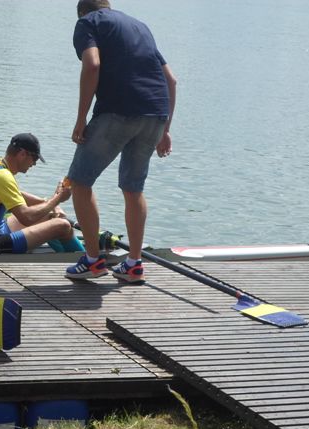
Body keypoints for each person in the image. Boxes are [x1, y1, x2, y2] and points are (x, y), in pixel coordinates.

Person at [64, 0, 177, 283]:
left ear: (83, 11)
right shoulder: (140, 27)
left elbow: (92, 65)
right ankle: (134, 264)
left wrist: (81, 118)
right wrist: (165, 129)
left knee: (80, 182)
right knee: (133, 188)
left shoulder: (88, 23)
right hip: (155, 114)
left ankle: (93, 261)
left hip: (118, 112)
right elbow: (171, 80)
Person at [0, 133, 84, 255]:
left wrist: (49, 202)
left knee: (48, 214)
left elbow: (17, 194)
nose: (34, 164)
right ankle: (83, 258)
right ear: (22, 154)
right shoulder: (3, 176)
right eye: (34, 158)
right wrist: (57, 199)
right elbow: (27, 218)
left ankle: (68, 255)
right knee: (63, 226)